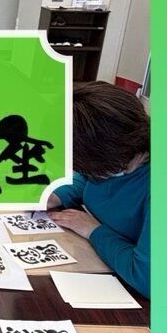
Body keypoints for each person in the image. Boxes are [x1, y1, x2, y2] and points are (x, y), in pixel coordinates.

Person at [47, 81, 149, 298]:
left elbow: (147, 278)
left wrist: (93, 230)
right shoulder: (114, 163)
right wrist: (57, 195)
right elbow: (87, 177)